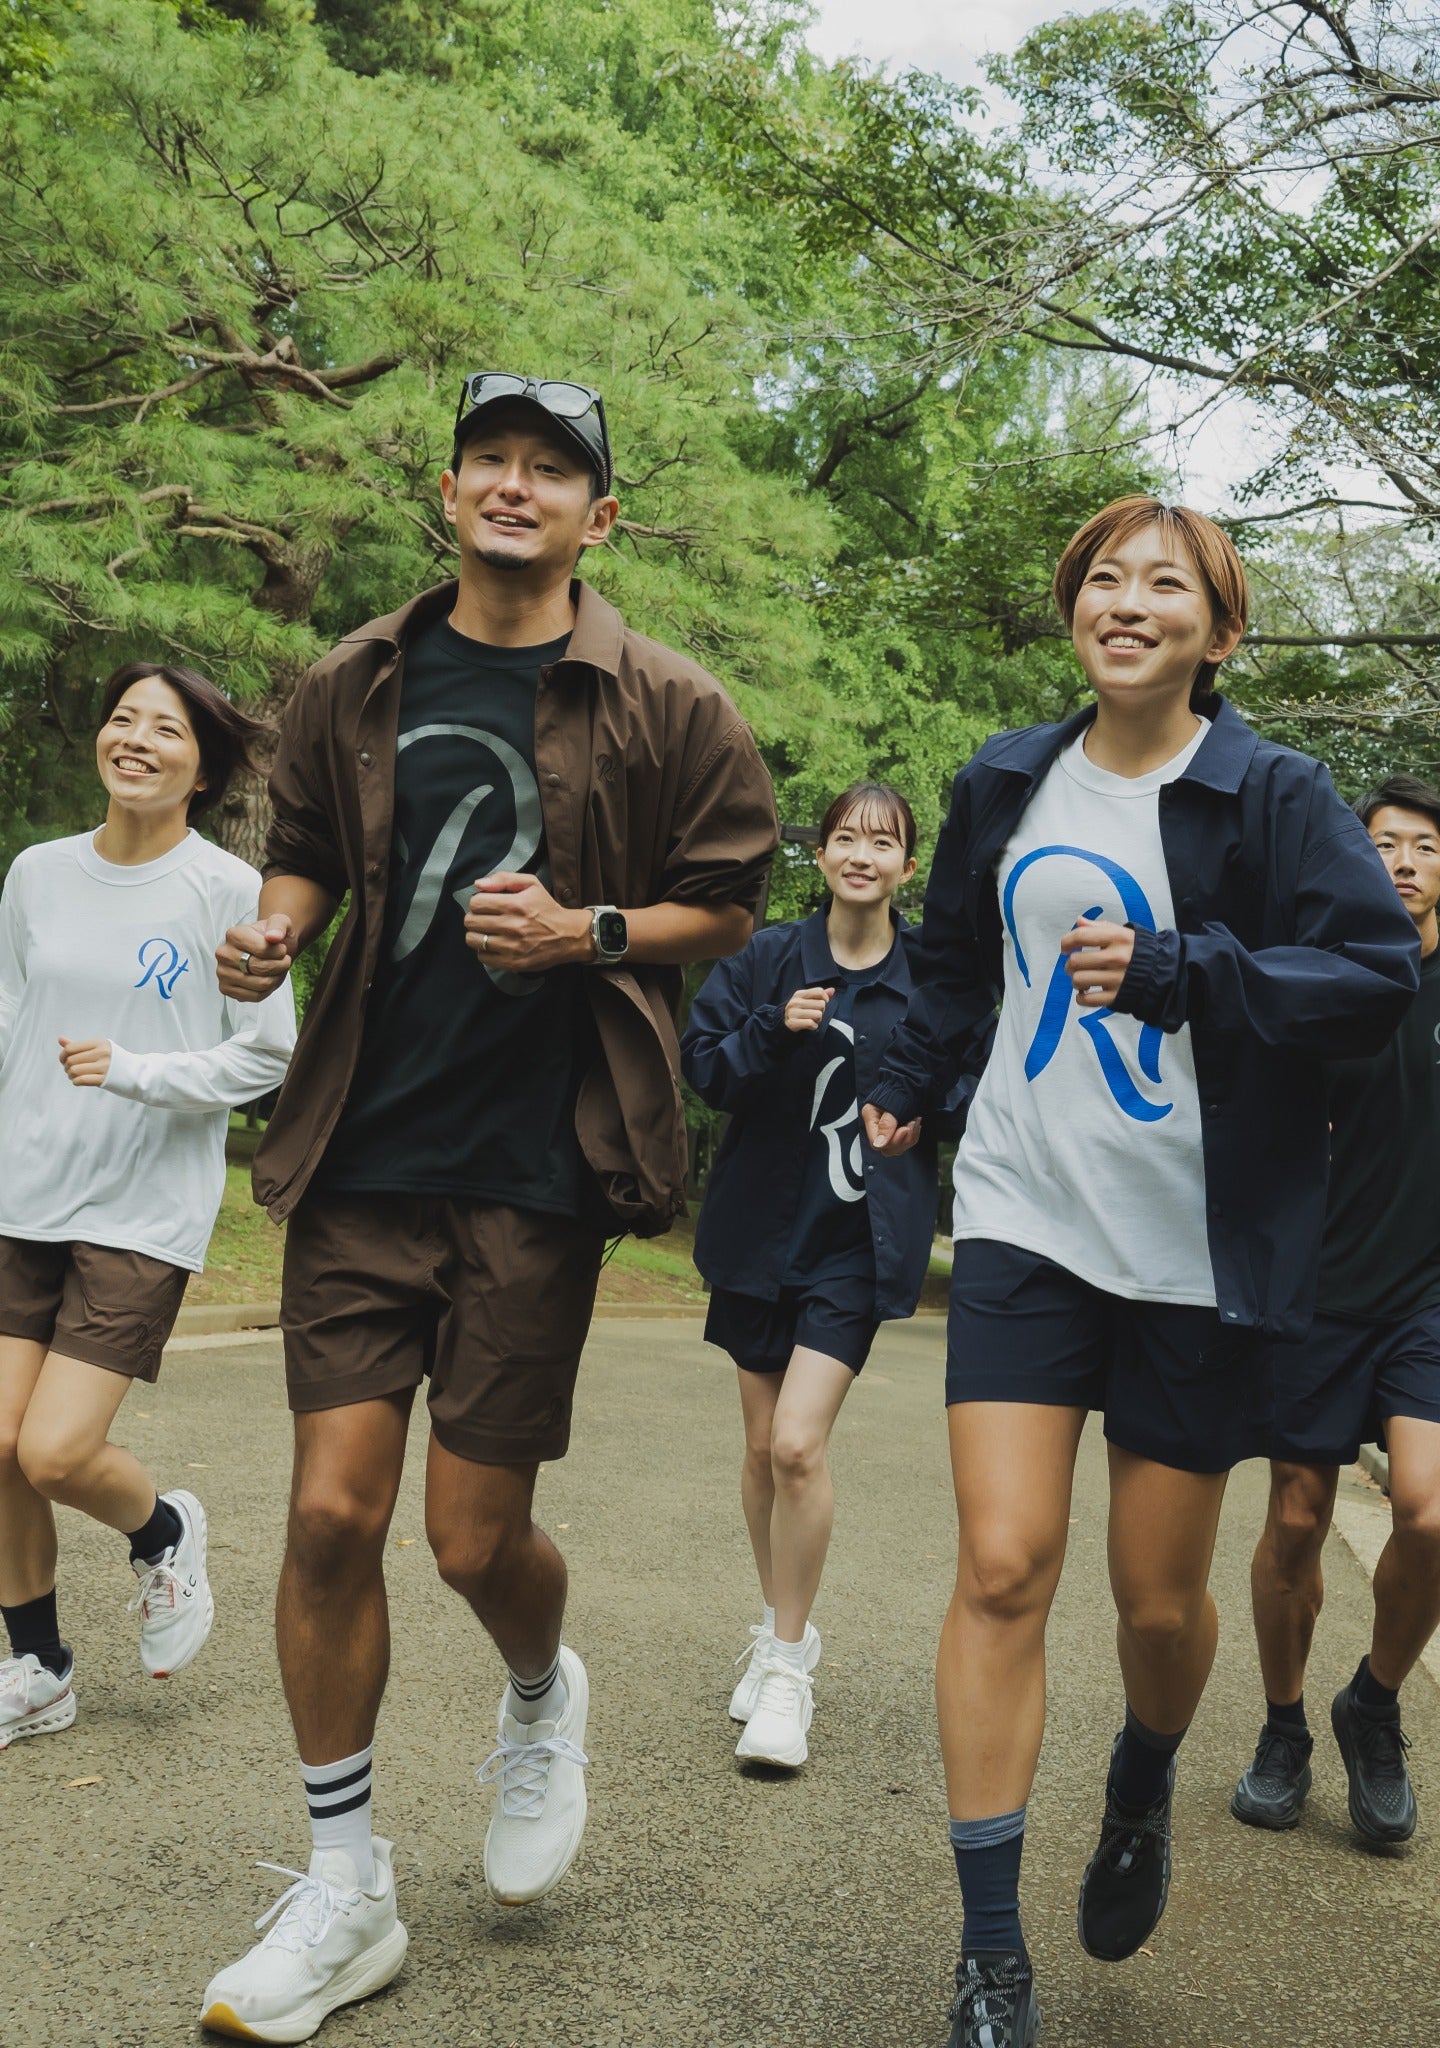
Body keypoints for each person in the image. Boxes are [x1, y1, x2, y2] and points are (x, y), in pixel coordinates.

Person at [198, 373, 778, 2043]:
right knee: (328, 1514)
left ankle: (540, 1687)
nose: (516, 486)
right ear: (449, 494)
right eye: (491, 462)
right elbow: (309, 845)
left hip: (535, 1170)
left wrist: (591, 932)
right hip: (363, 1152)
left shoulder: (670, 702)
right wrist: (276, 928)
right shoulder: (357, 675)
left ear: (600, 516)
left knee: (469, 1537)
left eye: (552, 469)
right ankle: (345, 1885)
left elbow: (729, 900)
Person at [862, 497, 1420, 2048]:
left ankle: (1143, 1774)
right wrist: (908, 1072)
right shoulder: (1005, 779)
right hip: (1027, 1214)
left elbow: (1373, 977)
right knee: (1003, 1565)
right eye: (1102, 579)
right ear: (1073, 613)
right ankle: (991, 1953)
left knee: (1158, 1608)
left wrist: (1190, 971)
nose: (1125, 602)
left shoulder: (1276, 795)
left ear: (1219, 632)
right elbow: (956, 962)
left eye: (1165, 584)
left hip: (1192, 1251)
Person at [0, 663, 294, 1747]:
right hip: (23, 1192)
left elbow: (267, 1054)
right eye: (121, 718)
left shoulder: (227, 889)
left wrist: (134, 1071)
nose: (134, 739)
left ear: (202, 768)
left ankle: (164, 1531)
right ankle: (38, 1668)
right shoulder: (37, 873)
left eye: (164, 729)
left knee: (54, 1453)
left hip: (138, 1208)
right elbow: (10, 1023)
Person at [1232, 774, 1440, 1842]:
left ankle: (1375, 1703)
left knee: (1430, 1514)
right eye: (1382, 844)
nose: (1402, 860)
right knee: (1296, 1519)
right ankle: (1282, 1728)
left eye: (1423, 845)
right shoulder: (1313, 975)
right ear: (1351, 863)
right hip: (1315, 1288)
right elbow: (1245, 1090)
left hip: (1427, 1286)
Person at [681, 780, 978, 1771]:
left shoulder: (932, 975)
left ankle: (787, 1667)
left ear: (907, 866)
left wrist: (927, 1111)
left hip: (858, 1239)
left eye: (882, 842)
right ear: (820, 854)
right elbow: (704, 1067)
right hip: (759, 1233)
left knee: (798, 1446)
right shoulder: (767, 958)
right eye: (846, 836)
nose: (861, 854)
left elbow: (973, 1072)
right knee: (760, 1449)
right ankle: (777, 1633)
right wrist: (772, 1028)